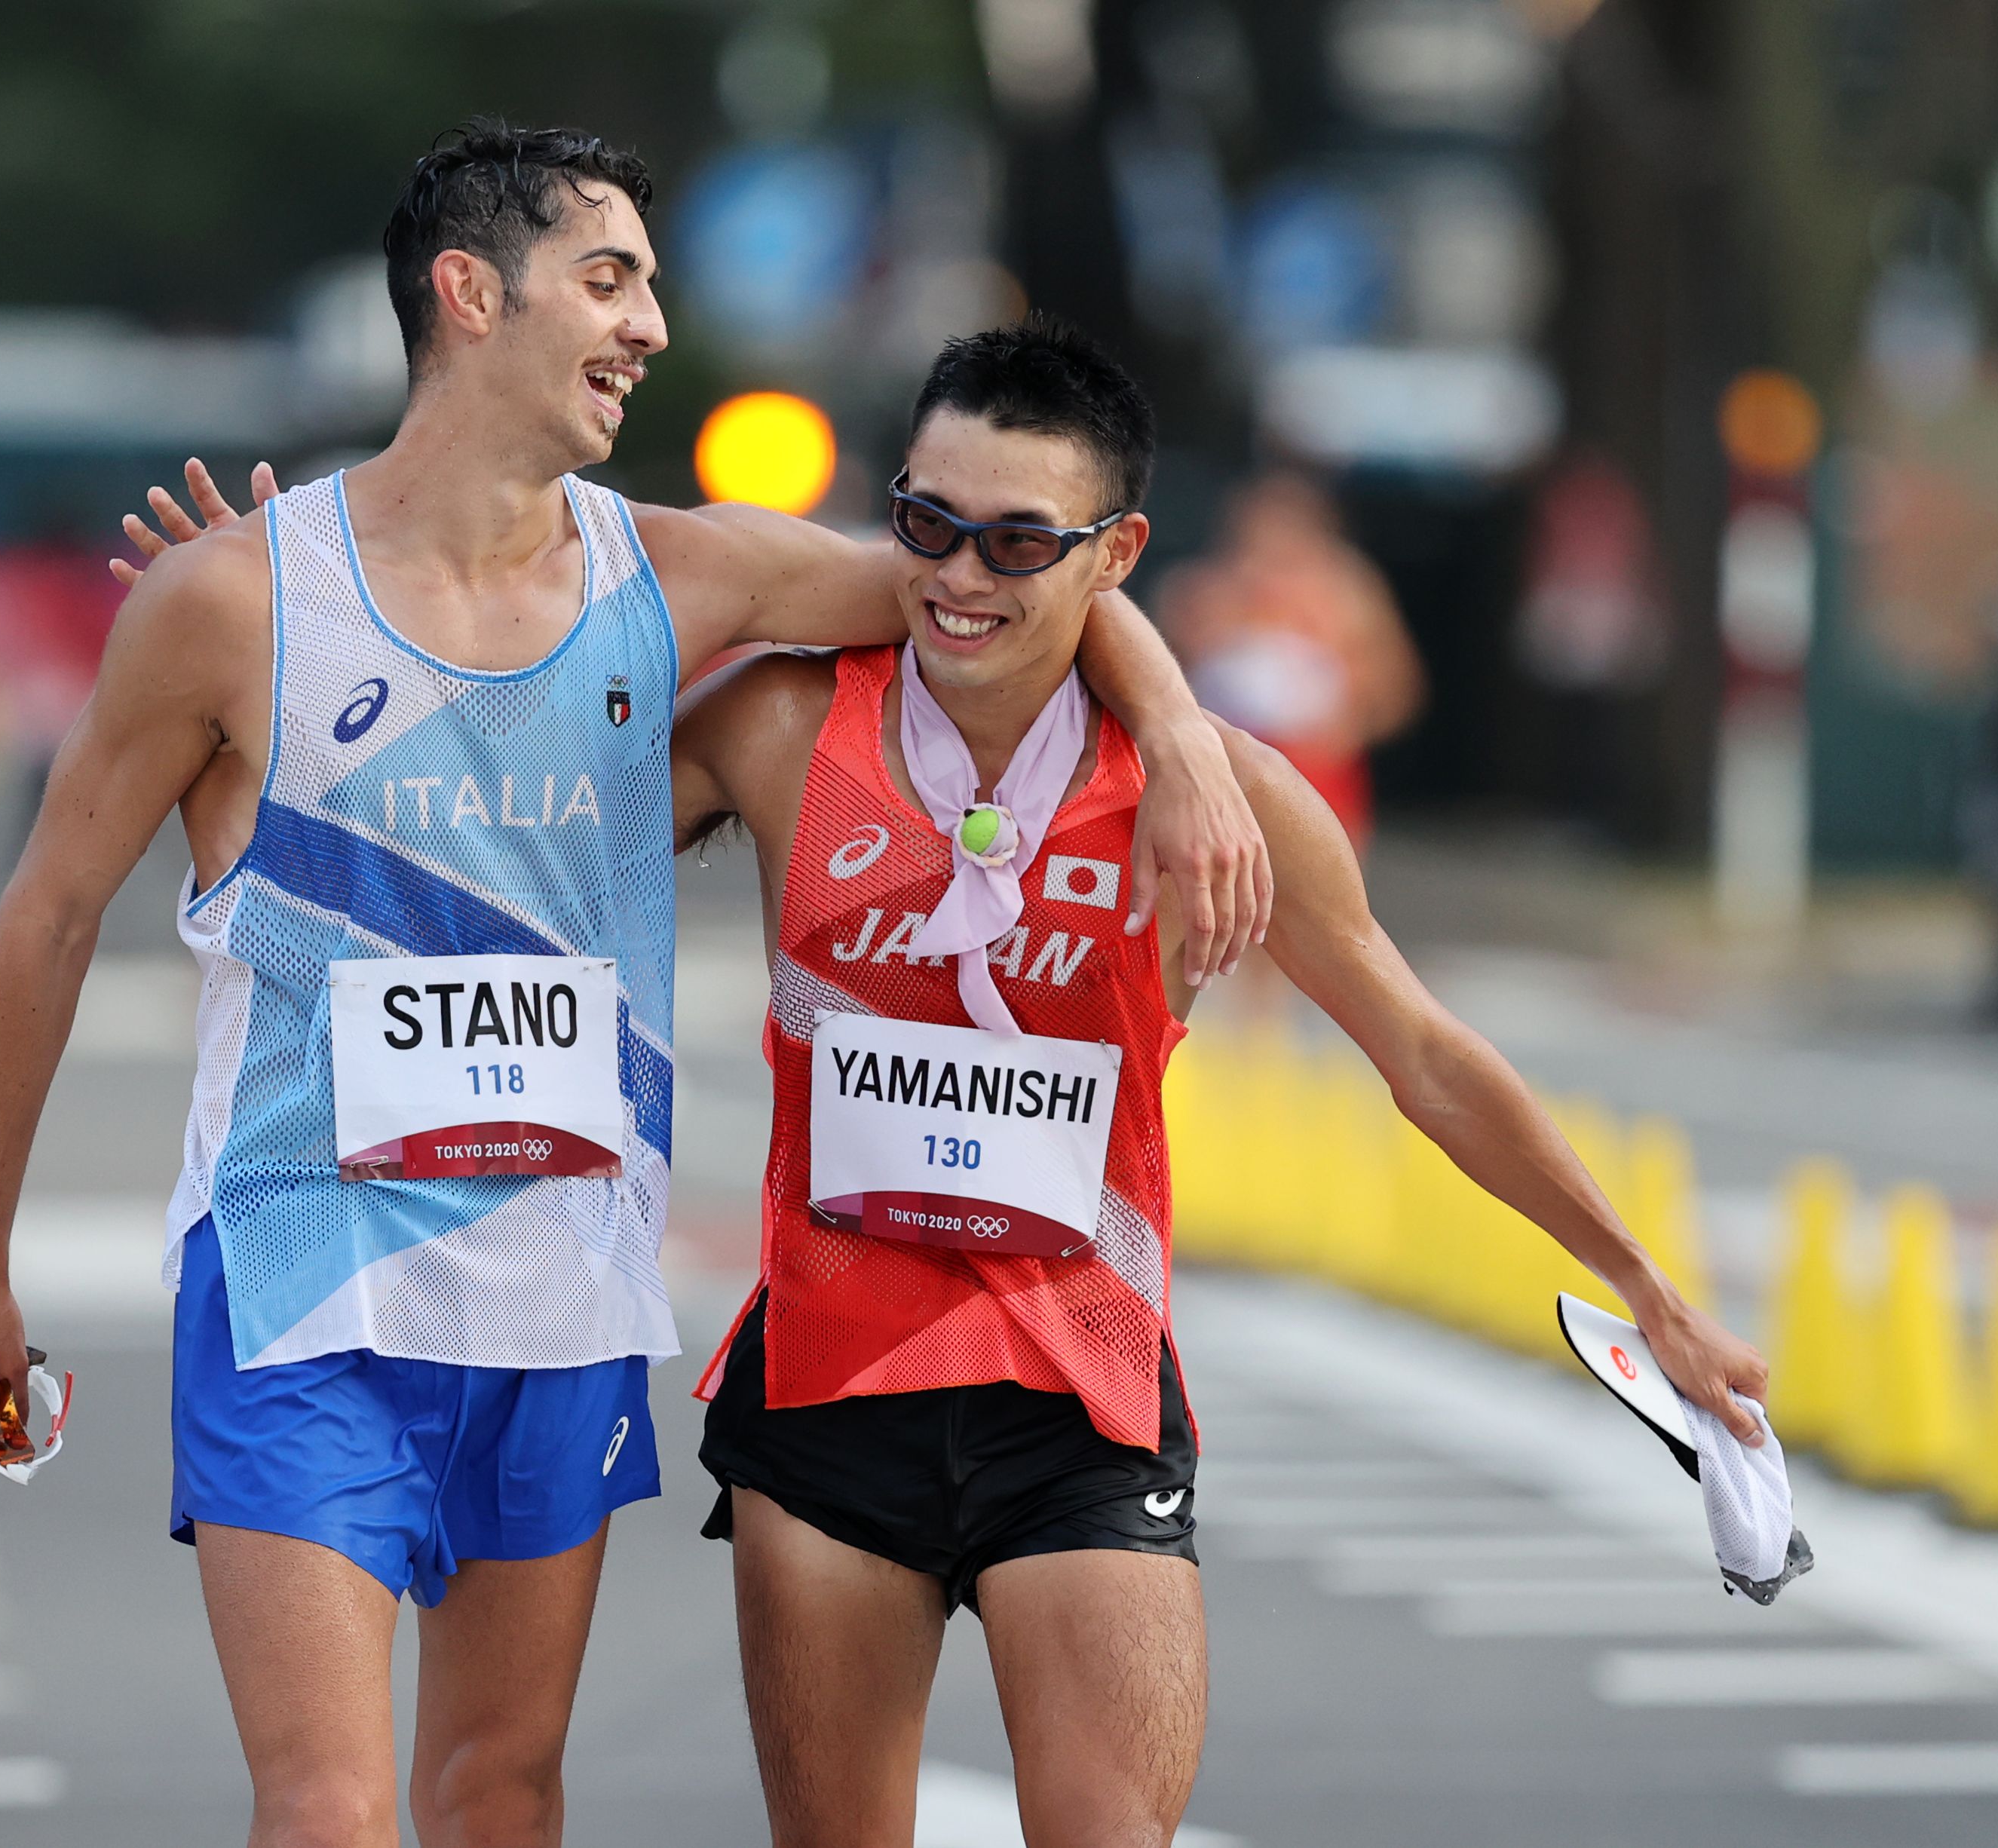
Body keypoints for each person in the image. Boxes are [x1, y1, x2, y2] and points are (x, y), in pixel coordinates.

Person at [0, 121, 1269, 1848]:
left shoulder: (681, 574)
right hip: (300, 1274)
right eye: (609, 279)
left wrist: (1184, 747)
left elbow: (1007, 577)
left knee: (500, 1793)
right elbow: (42, 922)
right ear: (472, 294)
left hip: (556, 1292)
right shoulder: (231, 602)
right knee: (326, 1809)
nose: (650, 327)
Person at [666, 319, 1767, 1848]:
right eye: (925, 523)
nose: (958, 578)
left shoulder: (1223, 799)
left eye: (1013, 542)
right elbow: (513, 830)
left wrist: (1643, 1283)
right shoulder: (779, 726)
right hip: (829, 1392)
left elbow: (1425, 1056)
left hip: (1079, 1397)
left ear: (1111, 552)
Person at [1156, 467, 1424, 846]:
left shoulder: (1350, 593)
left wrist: (1341, 725)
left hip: (1318, 777)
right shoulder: (1196, 593)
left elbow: (1397, 692)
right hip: (1219, 776)